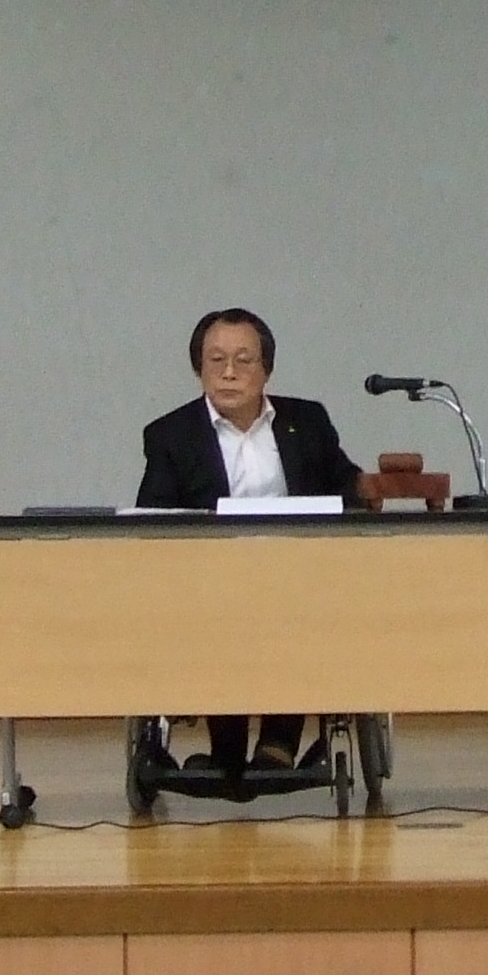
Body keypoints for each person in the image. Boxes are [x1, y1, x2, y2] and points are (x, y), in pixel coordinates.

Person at [135, 306, 361, 772]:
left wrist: (371, 490)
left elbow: (347, 490)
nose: (229, 373)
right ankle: (227, 750)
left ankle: (278, 745)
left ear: (266, 370)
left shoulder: (307, 421)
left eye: (243, 360)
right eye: (216, 361)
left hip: (300, 575)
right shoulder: (171, 435)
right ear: (199, 369)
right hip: (209, 581)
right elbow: (154, 518)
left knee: (300, 608)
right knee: (216, 613)